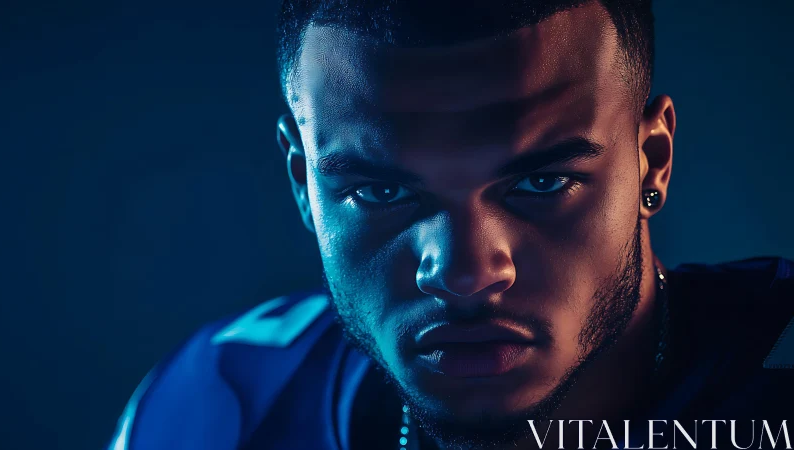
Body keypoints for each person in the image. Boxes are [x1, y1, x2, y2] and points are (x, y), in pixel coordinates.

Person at [106, 1, 794, 449]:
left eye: (540, 182)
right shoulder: (223, 407)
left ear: (652, 163)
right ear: (304, 186)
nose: (466, 272)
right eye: (378, 190)